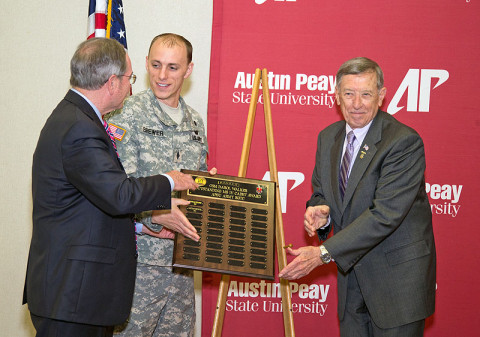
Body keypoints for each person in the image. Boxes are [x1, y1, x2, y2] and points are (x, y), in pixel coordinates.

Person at [23, 37, 200, 337]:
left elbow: (95, 206)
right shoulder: (80, 127)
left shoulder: (80, 119)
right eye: (132, 77)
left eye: (172, 67)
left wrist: (145, 225)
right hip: (73, 294)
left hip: (81, 294)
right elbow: (120, 194)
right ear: (112, 82)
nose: (134, 85)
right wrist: (171, 180)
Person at [279, 57, 436, 336]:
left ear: (382, 96)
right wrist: (320, 214)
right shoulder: (328, 137)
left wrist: (324, 253)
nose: (357, 103)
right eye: (349, 94)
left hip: (396, 286)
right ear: (337, 96)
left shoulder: (403, 141)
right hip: (351, 282)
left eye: (366, 94)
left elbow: (385, 214)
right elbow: (321, 192)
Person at [106, 33, 212, 337]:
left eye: (172, 67)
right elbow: (115, 189)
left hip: (181, 267)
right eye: (155, 65)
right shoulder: (126, 113)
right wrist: (152, 215)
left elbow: (196, 184)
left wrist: (209, 188)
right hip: (137, 267)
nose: (162, 76)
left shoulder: (195, 122)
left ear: (188, 70)